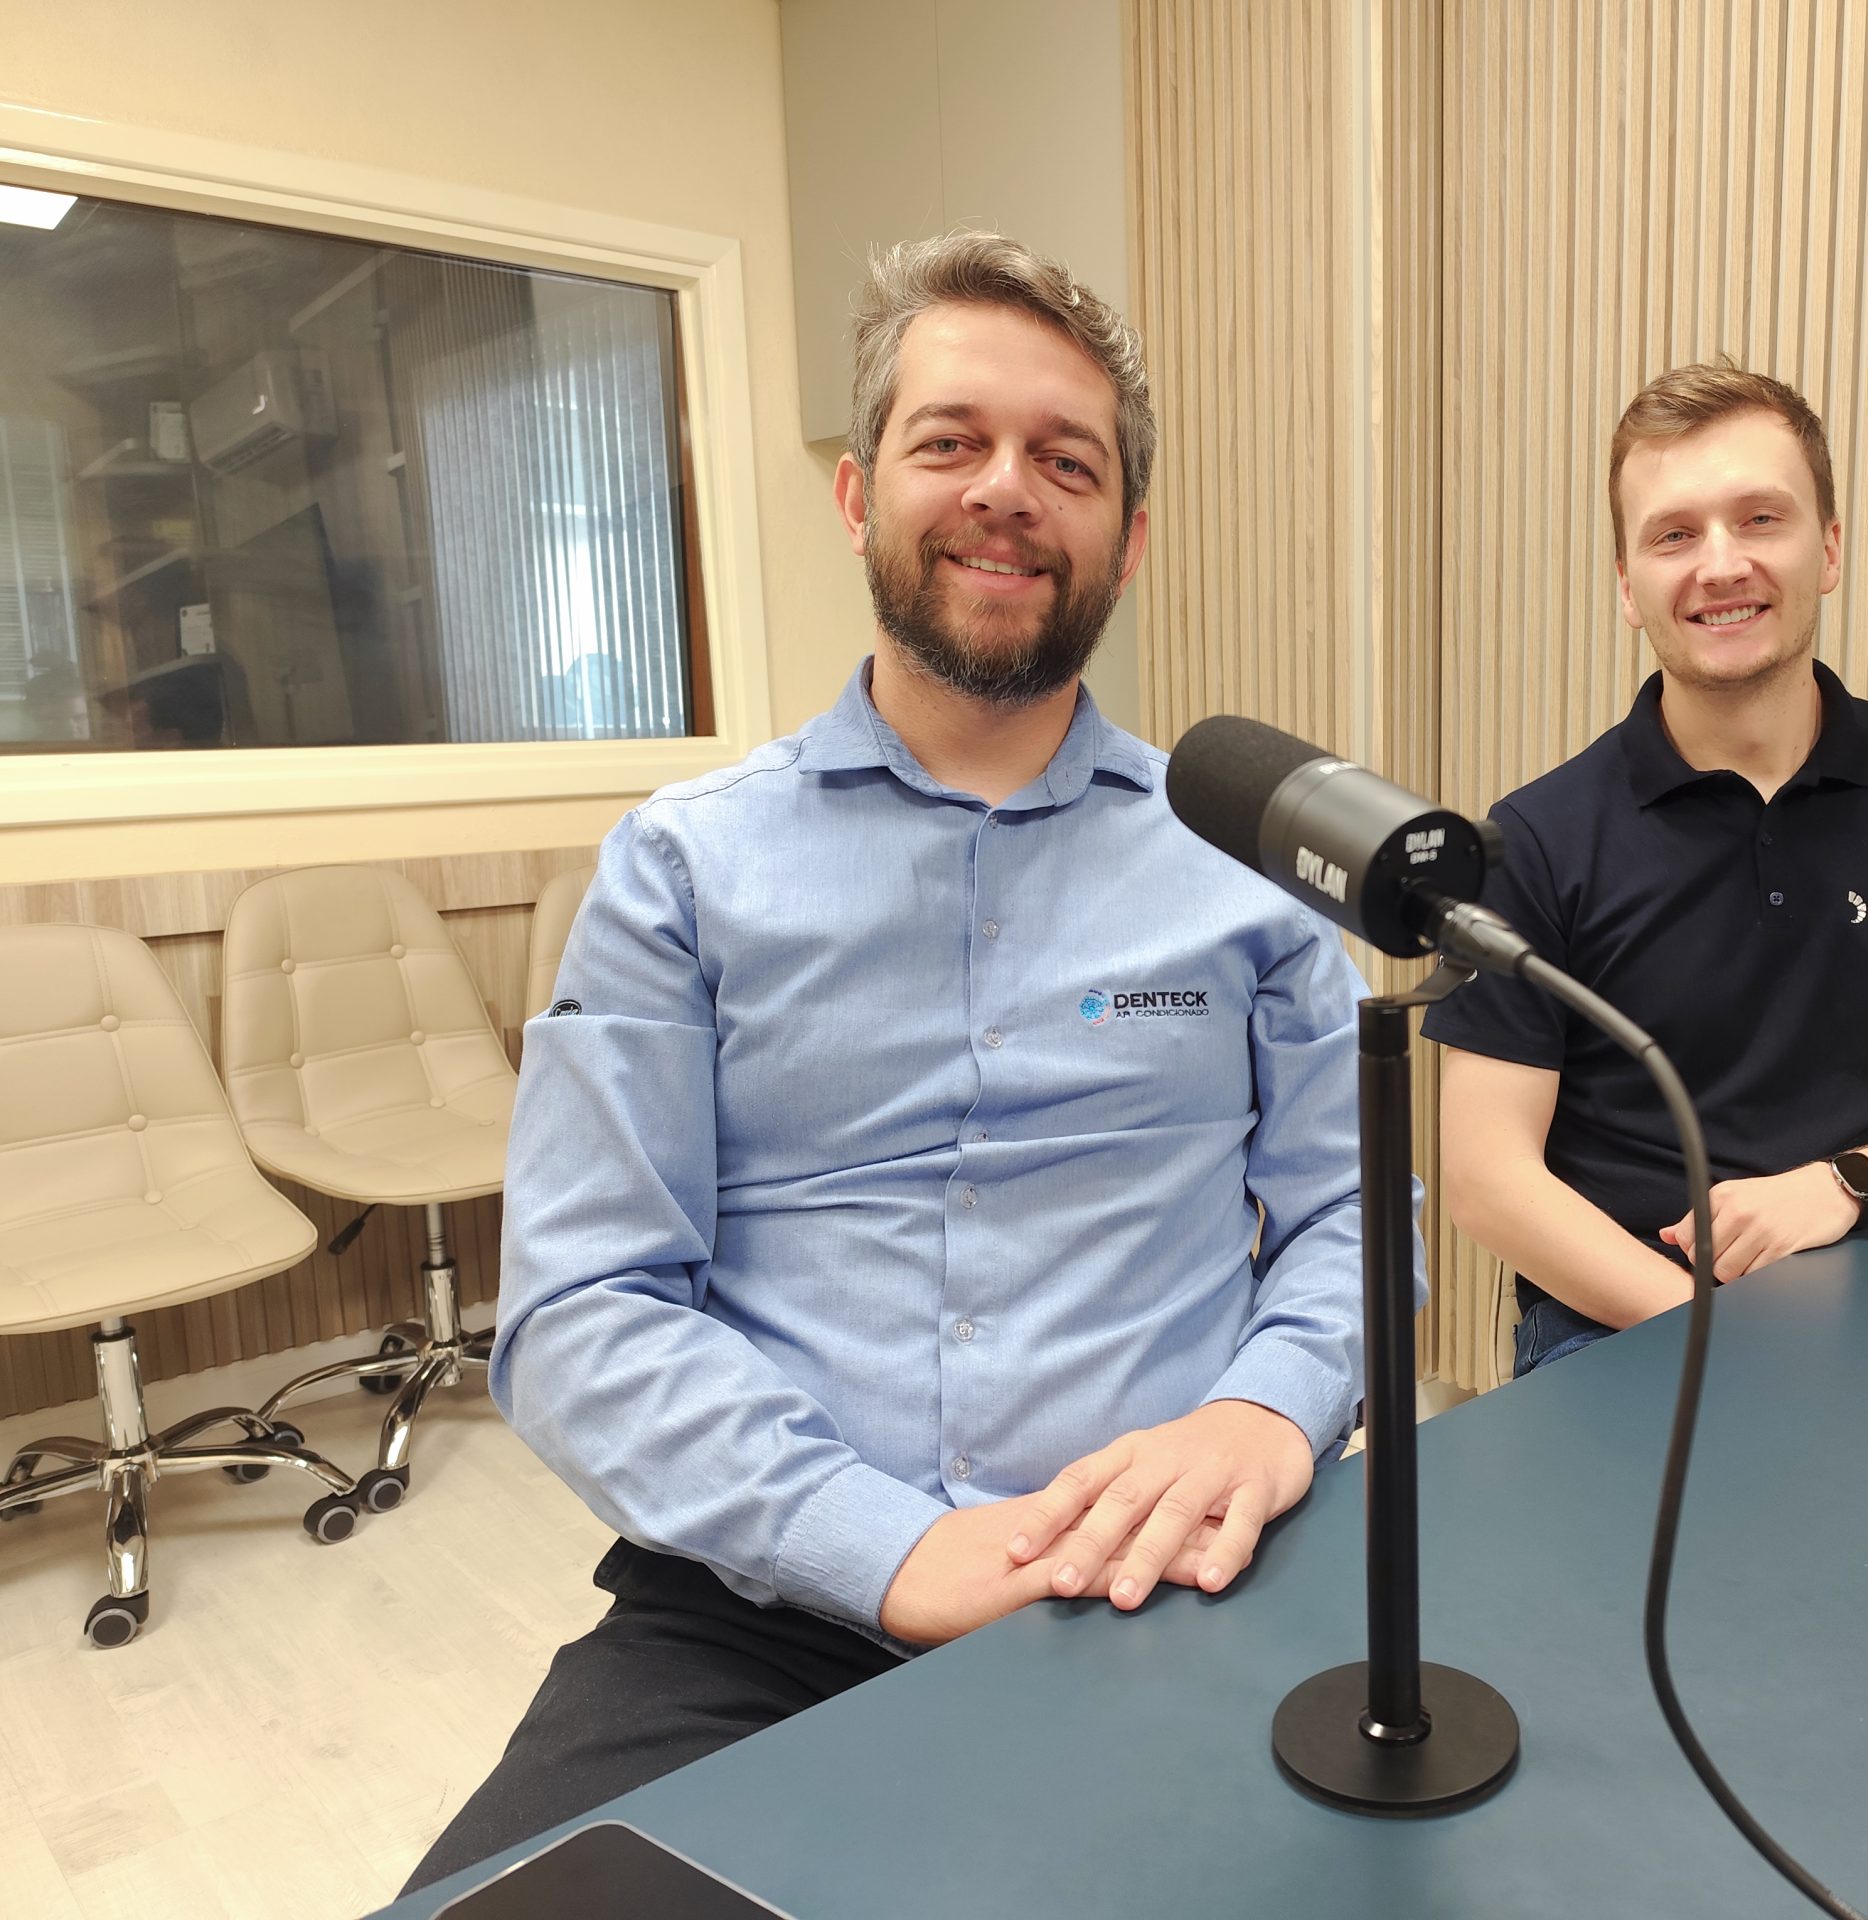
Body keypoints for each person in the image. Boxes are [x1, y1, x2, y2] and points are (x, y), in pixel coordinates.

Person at [406, 231, 1395, 1893]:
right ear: (860, 492)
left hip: (1175, 1571)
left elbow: (1359, 1216)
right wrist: (889, 1550)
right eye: (953, 442)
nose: (1008, 489)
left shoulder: (1241, 875)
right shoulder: (682, 871)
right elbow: (583, 1312)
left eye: (1066, 462)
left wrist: (1265, 1412)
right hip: (763, 1614)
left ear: (1130, 536)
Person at [1423, 360, 1868, 1379]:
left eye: (1760, 519)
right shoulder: (1532, 841)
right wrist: (1715, 1333)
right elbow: (1487, 1181)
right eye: (1673, 535)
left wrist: (1840, 1185)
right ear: (1628, 586)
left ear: (1827, 549)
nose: (1721, 564)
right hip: (1631, 1321)